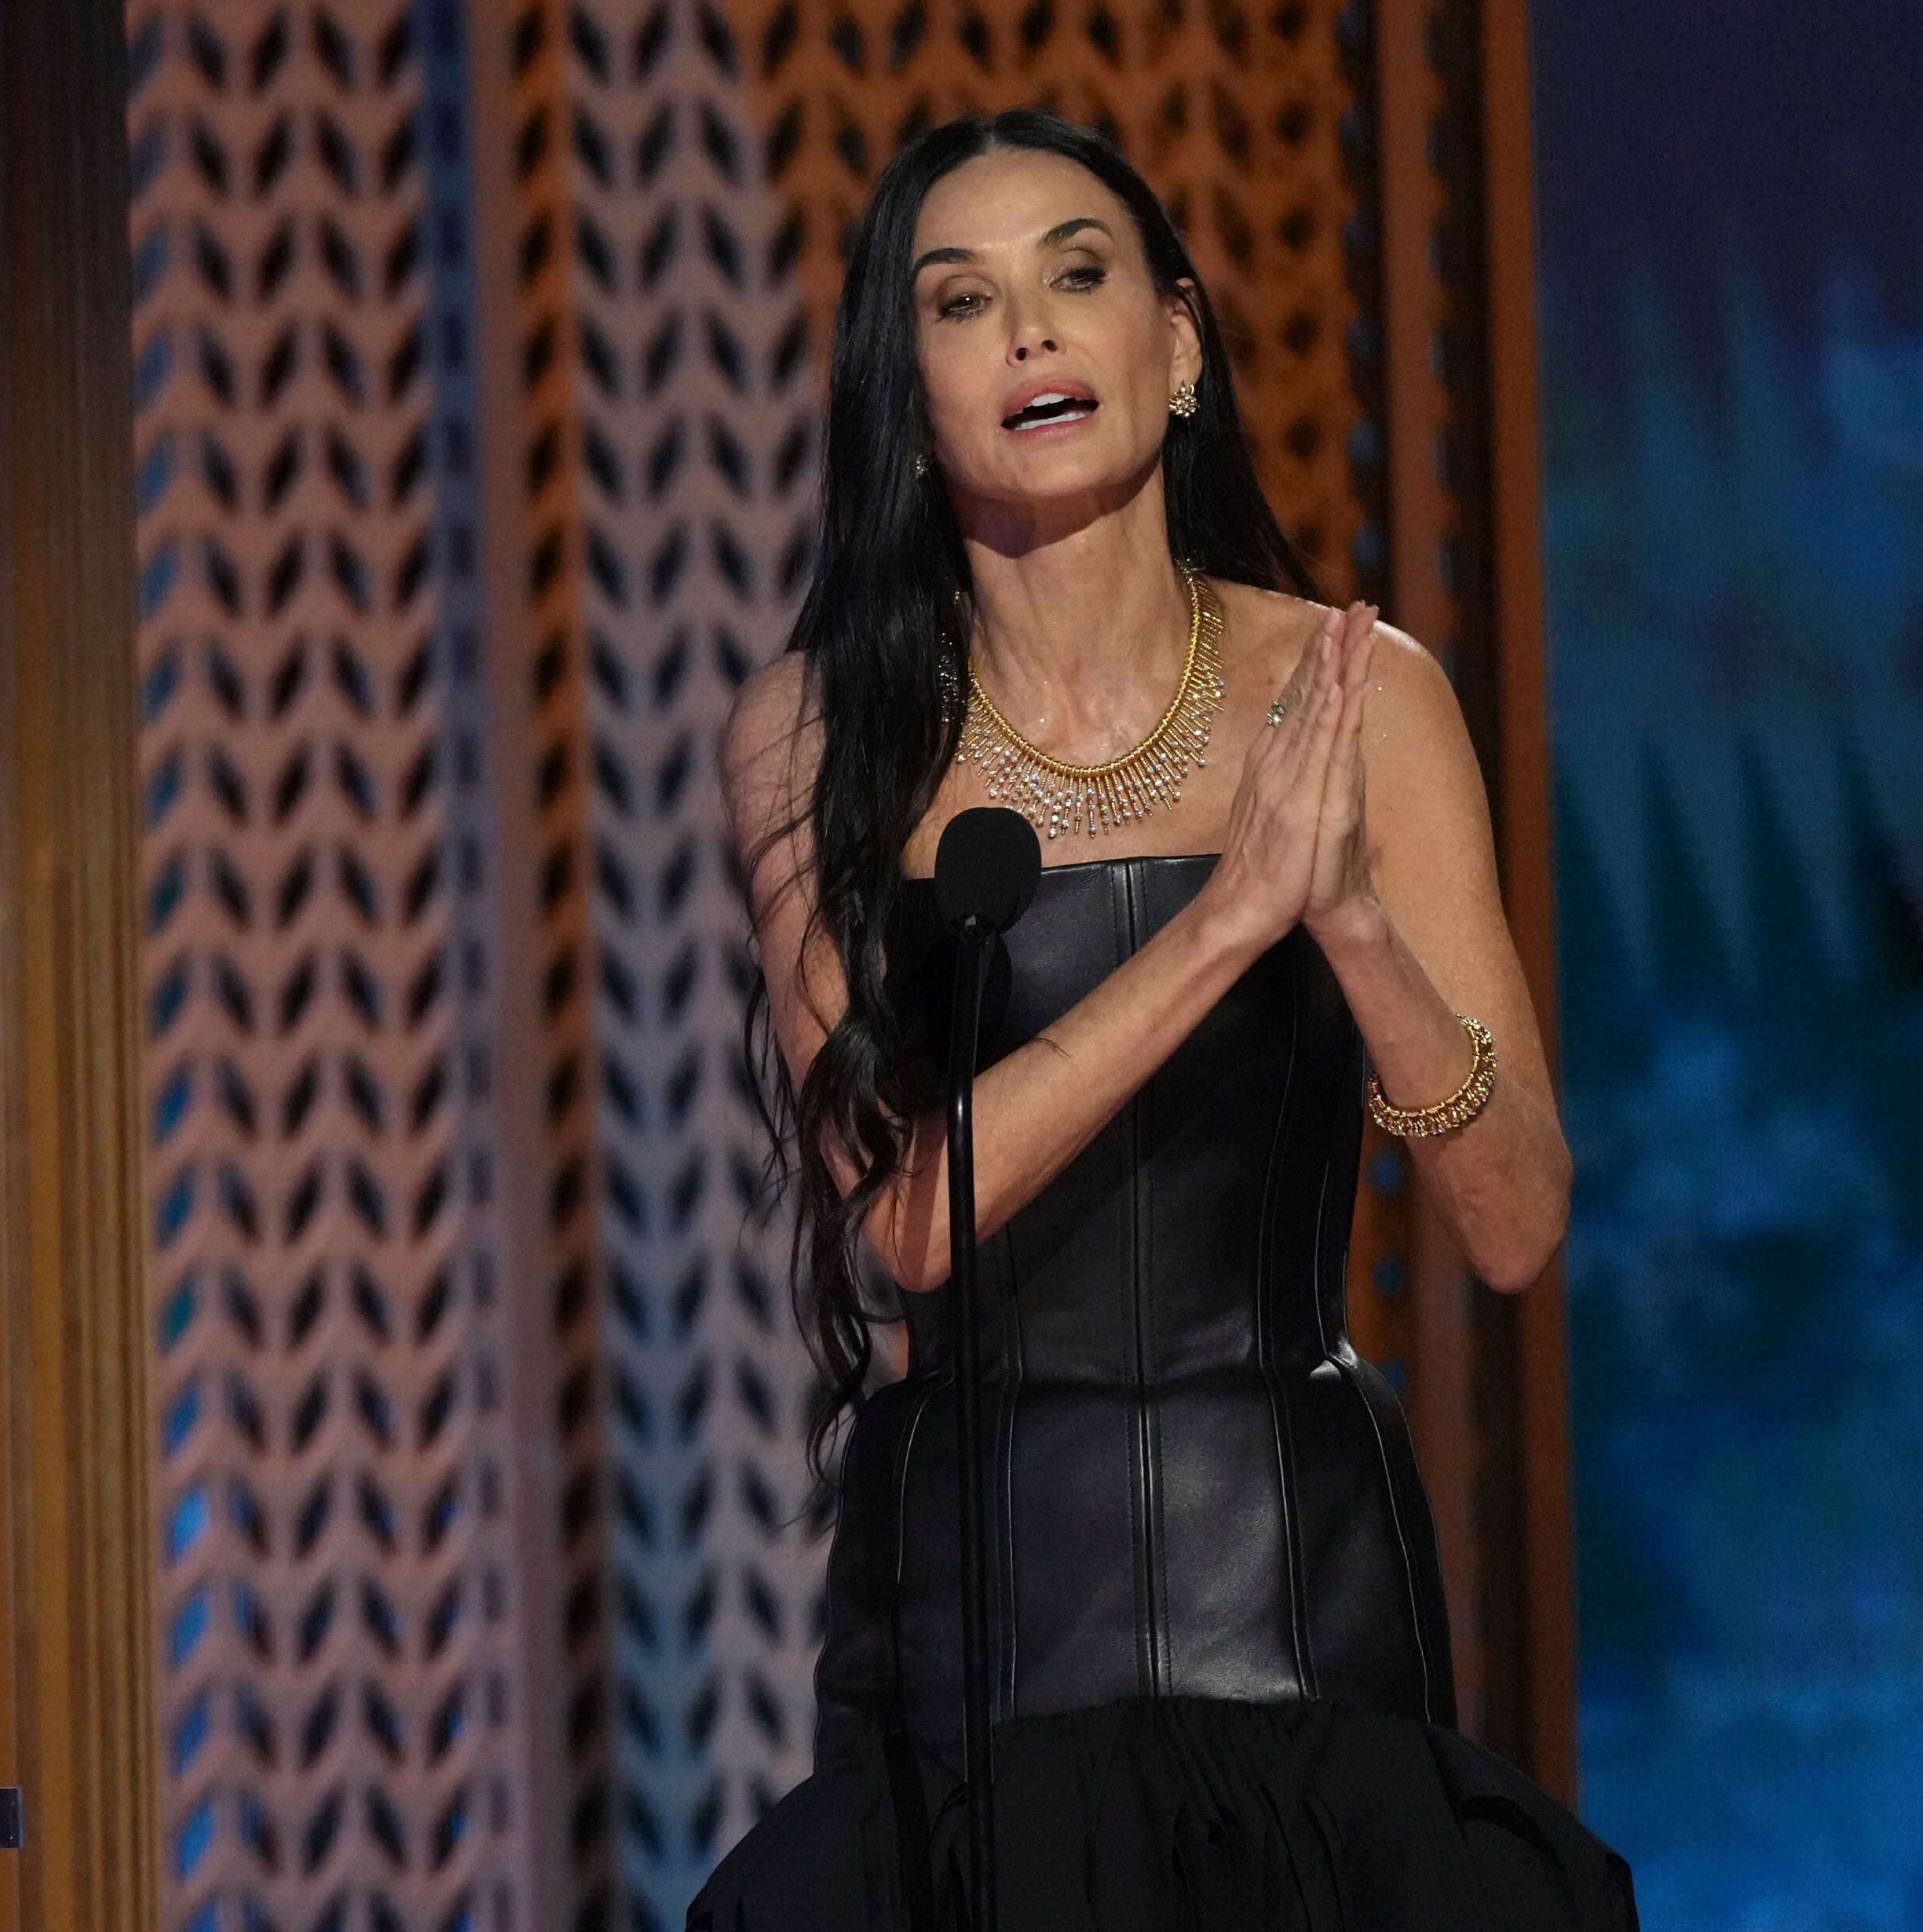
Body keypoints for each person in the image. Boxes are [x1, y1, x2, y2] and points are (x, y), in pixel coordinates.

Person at [694, 109, 1636, 1929]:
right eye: (962, 302)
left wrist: (1349, 919)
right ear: (907, 392)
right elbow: (900, 1218)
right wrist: (1226, 924)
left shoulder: (1353, 692)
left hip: (1289, 1590)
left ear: (1177, 345)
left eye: (1077, 274)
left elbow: (1518, 1222)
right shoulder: (817, 734)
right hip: (969, 1627)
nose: (1032, 332)